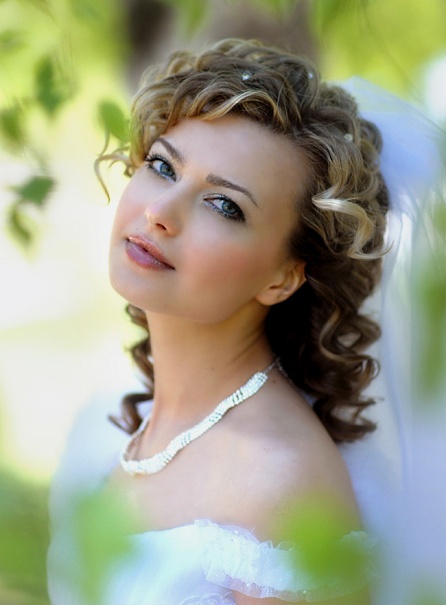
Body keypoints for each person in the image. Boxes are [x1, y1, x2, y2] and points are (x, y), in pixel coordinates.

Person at [47, 39, 392, 604]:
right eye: (163, 167)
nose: (159, 212)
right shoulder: (123, 427)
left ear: (282, 277)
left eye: (224, 205)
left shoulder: (278, 479)